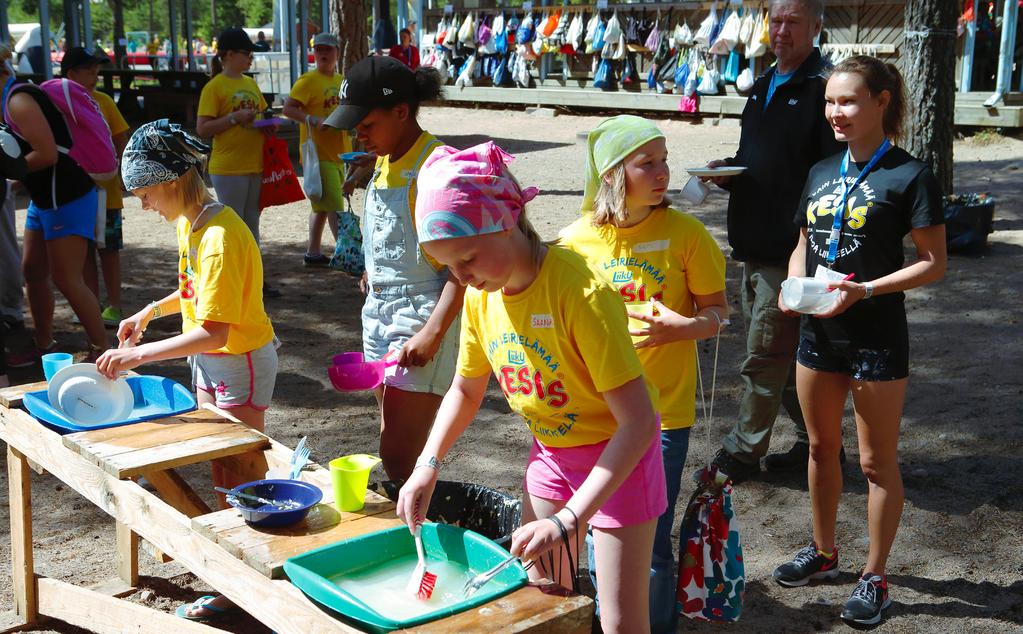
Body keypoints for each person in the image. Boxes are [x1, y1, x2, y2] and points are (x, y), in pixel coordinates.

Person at [397, 141, 665, 633]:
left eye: (468, 259)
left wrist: (569, 520)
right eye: (449, 269)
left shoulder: (579, 292)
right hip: (551, 457)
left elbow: (639, 422)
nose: (462, 278)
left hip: (618, 464)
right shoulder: (483, 295)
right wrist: (427, 465)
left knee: (620, 623)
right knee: (545, 602)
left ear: (507, 219)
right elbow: (464, 389)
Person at [771, 56, 946, 627]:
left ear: (881, 102)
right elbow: (804, 238)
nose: (835, 113)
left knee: (875, 463)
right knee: (821, 449)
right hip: (820, 329)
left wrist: (866, 290)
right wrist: (795, 285)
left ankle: (876, 577)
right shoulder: (822, 169)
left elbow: (931, 263)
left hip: (875, 335)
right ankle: (823, 553)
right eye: (829, 102)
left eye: (847, 101)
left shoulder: (911, 174)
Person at [94, 120, 278, 622]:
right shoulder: (190, 223)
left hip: (238, 361)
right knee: (221, 468)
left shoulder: (219, 234)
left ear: (172, 180)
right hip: (215, 360)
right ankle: (234, 576)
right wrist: (150, 310)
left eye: (145, 193)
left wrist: (138, 355)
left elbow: (216, 330)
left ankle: (255, 581)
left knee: (240, 469)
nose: (143, 205)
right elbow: (197, 292)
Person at [558, 115, 728, 632]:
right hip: (592, 417)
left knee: (650, 541)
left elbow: (718, 314)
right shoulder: (572, 242)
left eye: (664, 161)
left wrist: (684, 328)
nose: (662, 173)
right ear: (612, 174)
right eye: (646, 163)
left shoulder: (687, 233)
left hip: (663, 417)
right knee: (588, 529)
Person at [703, 0, 844, 483]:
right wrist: (729, 171)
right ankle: (820, 443)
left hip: (791, 251)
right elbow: (757, 157)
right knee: (782, 358)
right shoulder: (764, 84)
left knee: (764, 354)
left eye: (793, 22)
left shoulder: (823, 89)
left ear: (816, 27)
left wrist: (811, 248)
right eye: (776, 20)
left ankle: (743, 451)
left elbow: (831, 174)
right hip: (752, 243)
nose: (781, 30)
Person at [323, 56, 463, 481]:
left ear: (401, 112)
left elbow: (466, 267)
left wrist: (433, 332)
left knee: (398, 454)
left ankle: (415, 534)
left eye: (366, 125)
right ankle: (417, 527)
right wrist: (374, 268)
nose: (358, 135)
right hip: (379, 311)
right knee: (396, 435)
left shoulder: (439, 169)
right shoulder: (384, 158)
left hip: (423, 313)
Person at [0, 45, 110, 367]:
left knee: (67, 278)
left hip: (67, 195)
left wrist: (9, 173)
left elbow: (46, 154)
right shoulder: (9, 98)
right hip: (43, 195)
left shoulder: (17, 101)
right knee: (33, 271)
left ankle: (102, 351)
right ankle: (43, 343)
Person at [196, 28, 279, 298]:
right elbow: (203, 129)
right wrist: (234, 118)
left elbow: (257, 116)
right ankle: (233, 284)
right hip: (228, 167)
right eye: (246, 53)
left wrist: (266, 125)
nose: (250, 58)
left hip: (254, 163)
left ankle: (254, 282)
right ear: (229, 55)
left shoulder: (249, 83)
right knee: (233, 228)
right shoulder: (215, 87)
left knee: (251, 226)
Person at [62, 46, 131, 327]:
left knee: (109, 251)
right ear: (70, 74)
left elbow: (120, 137)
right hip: (74, 192)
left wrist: (118, 171)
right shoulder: (61, 105)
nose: (94, 75)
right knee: (84, 252)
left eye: (96, 70)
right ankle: (91, 302)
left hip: (107, 193)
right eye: (88, 70)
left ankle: (113, 306)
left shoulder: (103, 100)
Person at [282, 33, 352, 267]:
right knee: (334, 205)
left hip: (340, 151)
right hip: (317, 155)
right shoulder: (307, 81)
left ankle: (312, 254)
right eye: (319, 49)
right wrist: (311, 119)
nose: (323, 54)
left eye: (328, 49)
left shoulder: (342, 81)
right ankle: (346, 255)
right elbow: (289, 109)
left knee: (321, 206)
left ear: (336, 53)